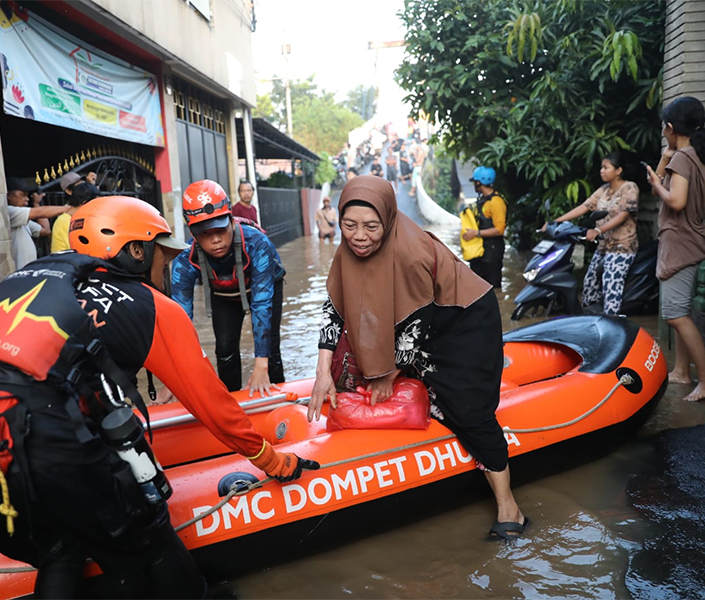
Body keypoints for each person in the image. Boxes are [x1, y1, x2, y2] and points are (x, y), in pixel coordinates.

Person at [0, 196, 317, 598]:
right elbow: (214, 406)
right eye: (162, 253)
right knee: (150, 534)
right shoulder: (150, 306)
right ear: (136, 250)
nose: (167, 265)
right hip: (43, 446)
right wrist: (272, 459)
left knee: (61, 551)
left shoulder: (28, 278)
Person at [307, 176, 527, 539]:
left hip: (461, 321)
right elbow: (334, 307)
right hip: (418, 325)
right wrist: (321, 371)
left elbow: (415, 328)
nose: (359, 236)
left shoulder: (410, 252)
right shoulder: (349, 249)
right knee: (389, 384)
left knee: (469, 410)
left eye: (371, 227)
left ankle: (510, 508)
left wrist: (387, 374)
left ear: (389, 220)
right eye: (349, 226)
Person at [172, 179, 286, 395]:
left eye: (220, 230)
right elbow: (180, 319)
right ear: (194, 234)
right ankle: (231, 399)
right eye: (205, 233)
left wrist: (261, 365)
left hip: (264, 285)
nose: (215, 240)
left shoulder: (257, 243)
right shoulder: (185, 258)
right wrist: (176, 375)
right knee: (224, 351)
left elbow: (261, 304)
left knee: (270, 350)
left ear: (232, 222)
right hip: (223, 293)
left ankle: (278, 398)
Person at [646, 96, 705, 402]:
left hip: (680, 244)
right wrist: (668, 155)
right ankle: (682, 371)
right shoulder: (692, 155)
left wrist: (658, 186)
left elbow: (675, 200)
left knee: (675, 315)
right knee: (683, 313)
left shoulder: (684, 159)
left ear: (669, 127)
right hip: (692, 242)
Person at [547, 153, 639, 315]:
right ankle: (588, 318)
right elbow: (584, 207)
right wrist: (556, 221)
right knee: (589, 283)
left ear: (618, 170)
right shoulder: (603, 190)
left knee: (611, 285)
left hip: (621, 247)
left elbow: (624, 214)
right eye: (601, 167)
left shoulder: (629, 187)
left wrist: (598, 230)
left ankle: (612, 321)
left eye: (606, 167)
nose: (601, 171)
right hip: (603, 246)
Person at [6, 177, 70, 269]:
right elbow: (39, 212)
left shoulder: (22, 219)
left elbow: (45, 230)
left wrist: (36, 204)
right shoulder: (9, 212)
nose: (27, 199)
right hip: (20, 271)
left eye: (27, 196)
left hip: (28, 270)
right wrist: (67, 208)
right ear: (9, 195)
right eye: (22, 195)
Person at [461, 166, 507, 288]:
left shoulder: (496, 202)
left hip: (493, 248)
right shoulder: (483, 200)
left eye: (474, 182)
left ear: (479, 182)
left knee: (492, 286)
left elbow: (499, 229)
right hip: (483, 248)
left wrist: (476, 233)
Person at [51, 182, 100, 253]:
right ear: (84, 203)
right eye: (95, 205)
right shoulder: (65, 222)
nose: (97, 209)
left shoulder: (77, 219)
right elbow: (80, 249)